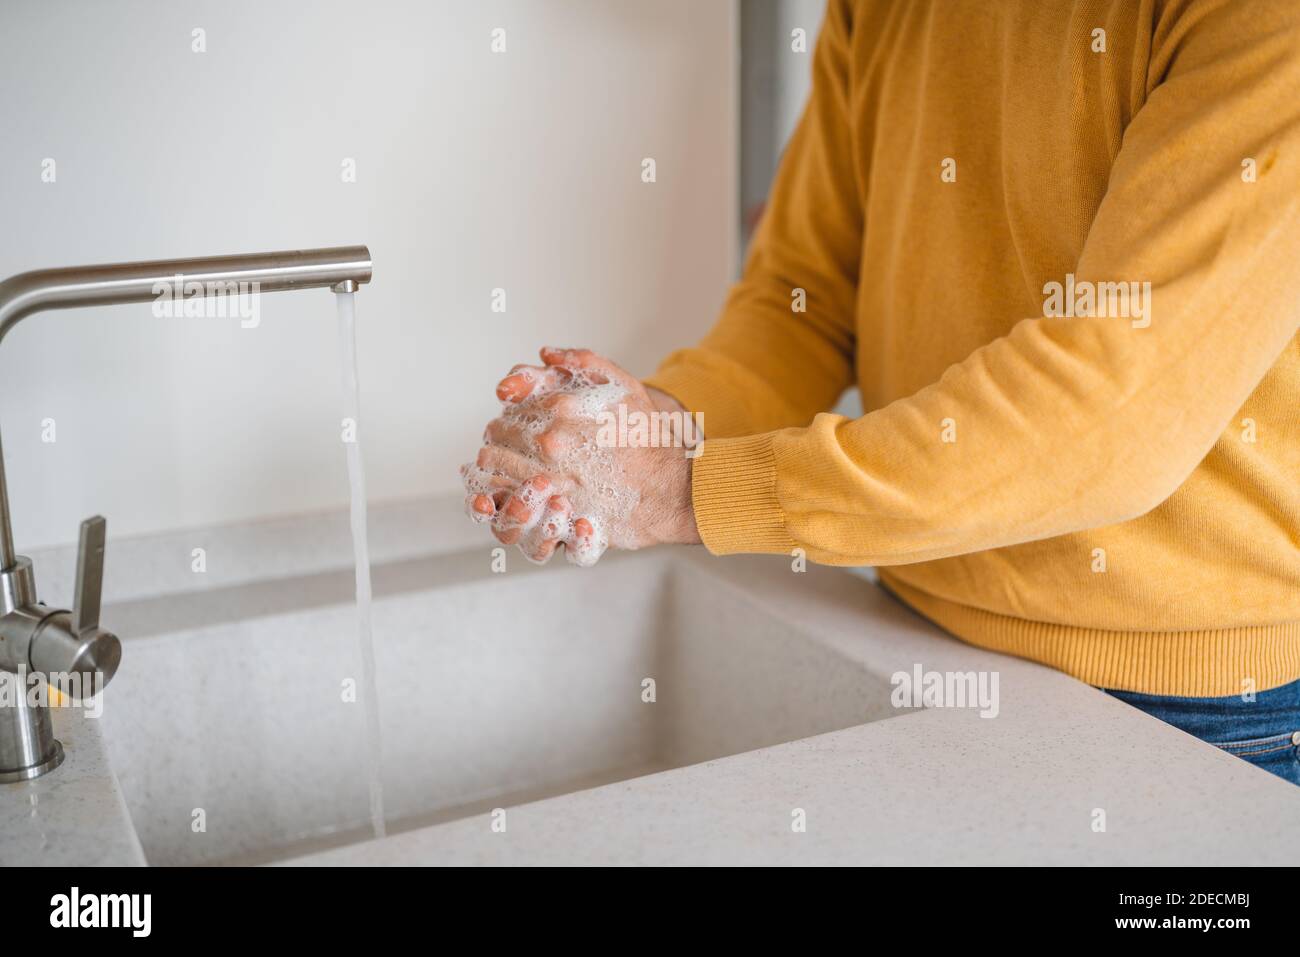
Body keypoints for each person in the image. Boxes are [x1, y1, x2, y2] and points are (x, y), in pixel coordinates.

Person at [463, 0, 1300, 785]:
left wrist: (688, 490)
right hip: (906, 633)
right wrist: (656, 431)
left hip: (1201, 702)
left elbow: (1115, 410)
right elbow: (806, 301)